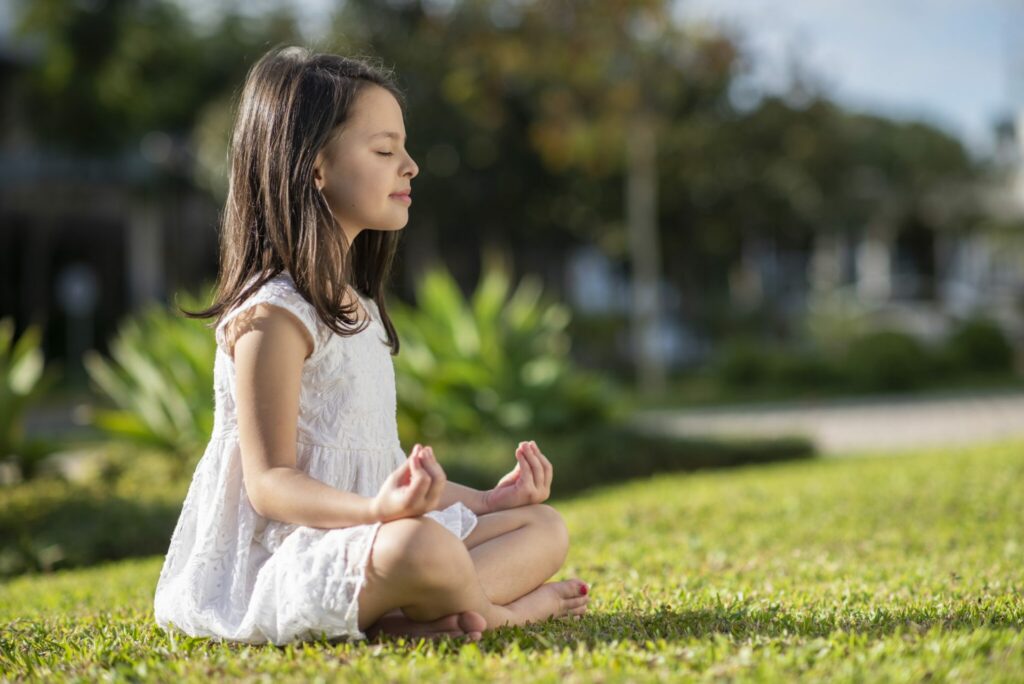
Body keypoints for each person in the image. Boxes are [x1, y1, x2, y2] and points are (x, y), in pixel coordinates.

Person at [153, 45, 589, 646]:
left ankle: (416, 617)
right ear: (315, 168)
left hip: (379, 537)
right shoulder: (272, 315)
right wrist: (377, 514)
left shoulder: (356, 307)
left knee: (542, 526)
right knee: (421, 545)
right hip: (290, 555)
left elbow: (376, 467)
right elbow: (270, 483)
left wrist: (491, 500)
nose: (410, 167)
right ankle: (503, 613)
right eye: (385, 151)